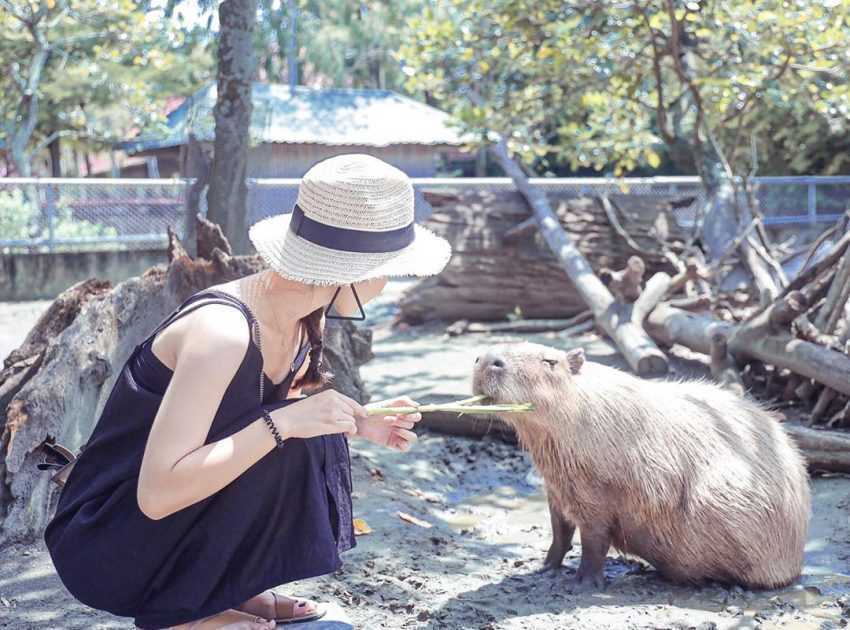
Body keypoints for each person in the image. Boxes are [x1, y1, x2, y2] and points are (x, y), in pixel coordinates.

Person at [43, 154, 452, 629]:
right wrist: (289, 422)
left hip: (159, 530)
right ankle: (181, 615)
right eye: (390, 270)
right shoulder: (224, 333)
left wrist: (358, 422)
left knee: (298, 439)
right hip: (109, 545)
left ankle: (222, 590)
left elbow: (253, 423)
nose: (388, 284)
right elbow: (156, 494)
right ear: (355, 272)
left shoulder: (303, 315)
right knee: (286, 431)